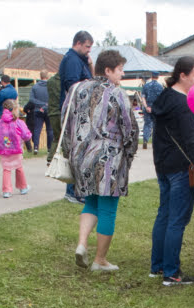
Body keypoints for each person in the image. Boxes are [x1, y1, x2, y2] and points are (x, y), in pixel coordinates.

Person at [62, 50, 139, 271]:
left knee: (91, 202)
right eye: (120, 70)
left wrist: (72, 150)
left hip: (81, 156)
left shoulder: (76, 89)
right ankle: (100, 260)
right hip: (109, 159)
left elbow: (65, 119)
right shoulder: (117, 93)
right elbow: (130, 128)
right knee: (107, 208)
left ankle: (81, 244)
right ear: (108, 70)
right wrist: (129, 154)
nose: (122, 74)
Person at [150, 56, 194, 286]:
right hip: (181, 167)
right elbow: (192, 142)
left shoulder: (165, 97)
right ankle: (171, 272)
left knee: (165, 214)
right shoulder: (184, 104)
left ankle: (158, 265)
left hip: (164, 165)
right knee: (177, 219)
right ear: (182, 75)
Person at [59, 30, 94, 204]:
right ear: (78, 43)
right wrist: (86, 83)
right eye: (87, 47)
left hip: (79, 112)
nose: (89, 50)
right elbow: (72, 85)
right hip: (74, 113)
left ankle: (76, 190)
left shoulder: (79, 60)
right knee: (76, 152)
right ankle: (73, 191)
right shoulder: (72, 60)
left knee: (80, 151)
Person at [0, 99, 32, 198]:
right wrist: (27, 138)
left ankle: (6, 191)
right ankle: (23, 187)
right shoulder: (18, 122)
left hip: (3, 150)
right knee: (19, 167)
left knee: (6, 169)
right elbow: (26, 135)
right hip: (16, 149)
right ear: (15, 109)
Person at [29, 70, 52, 155]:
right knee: (49, 129)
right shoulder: (51, 86)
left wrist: (41, 105)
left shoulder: (35, 87)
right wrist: (46, 105)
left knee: (37, 129)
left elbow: (31, 99)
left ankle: (35, 147)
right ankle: (49, 148)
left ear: (40, 76)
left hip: (38, 110)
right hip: (49, 109)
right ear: (48, 76)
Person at [141, 72, 164, 149]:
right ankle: (155, 142)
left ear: (151, 76)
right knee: (156, 125)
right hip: (156, 108)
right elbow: (161, 100)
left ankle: (145, 140)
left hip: (147, 108)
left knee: (147, 124)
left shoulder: (146, 86)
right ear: (157, 77)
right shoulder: (160, 87)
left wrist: (146, 106)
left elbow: (143, 98)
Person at [46, 73, 61, 164]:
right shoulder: (64, 81)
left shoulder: (50, 81)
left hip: (52, 112)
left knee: (56, 137)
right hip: (61, 111)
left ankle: (50, 158)